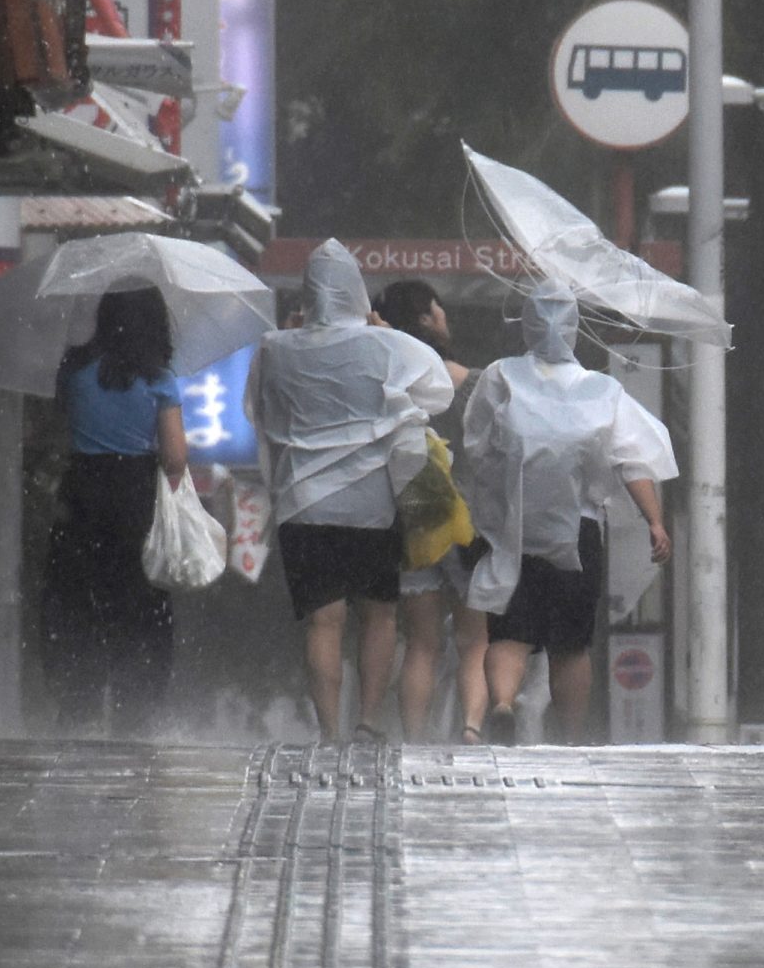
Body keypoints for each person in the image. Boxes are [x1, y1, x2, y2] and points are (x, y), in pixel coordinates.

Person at [247, 242, 452, 739]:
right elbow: (438, 390)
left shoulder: (275, 348)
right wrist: (381, 332)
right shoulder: (385, 346)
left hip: (303, 504)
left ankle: (329, 732)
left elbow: (259, 410)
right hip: (371, 504)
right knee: (379, 615)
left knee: (324, 622)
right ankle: (367, 721)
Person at [459, 283, 674, 745]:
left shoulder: (501, 376)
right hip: (578, 531)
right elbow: (632, 461)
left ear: (527, 325)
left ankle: (501, 704)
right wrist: (654, 522)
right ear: (575, 330)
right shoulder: (602, 390)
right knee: (571, 644)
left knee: (510, 632)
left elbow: (478, 445)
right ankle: (572, 737)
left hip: (516, 528)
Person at [37, 286, 192, 733]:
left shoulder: (74, 368)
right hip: (135, 496)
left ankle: (78, 701)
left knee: (75, 596)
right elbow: (175, 458)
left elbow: (57, 429)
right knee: (139, 603)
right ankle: (134, 707)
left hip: (81, 492)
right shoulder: (158, 378)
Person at [377, 280, 489, 740]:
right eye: (438, 310)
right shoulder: (476, 385)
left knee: (421, 643)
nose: (445, 317)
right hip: (468, 526)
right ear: (425, 317)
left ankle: (414, 738)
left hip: (413, 520)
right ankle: (471, 728)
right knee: (474, 640)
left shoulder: (388, 385)